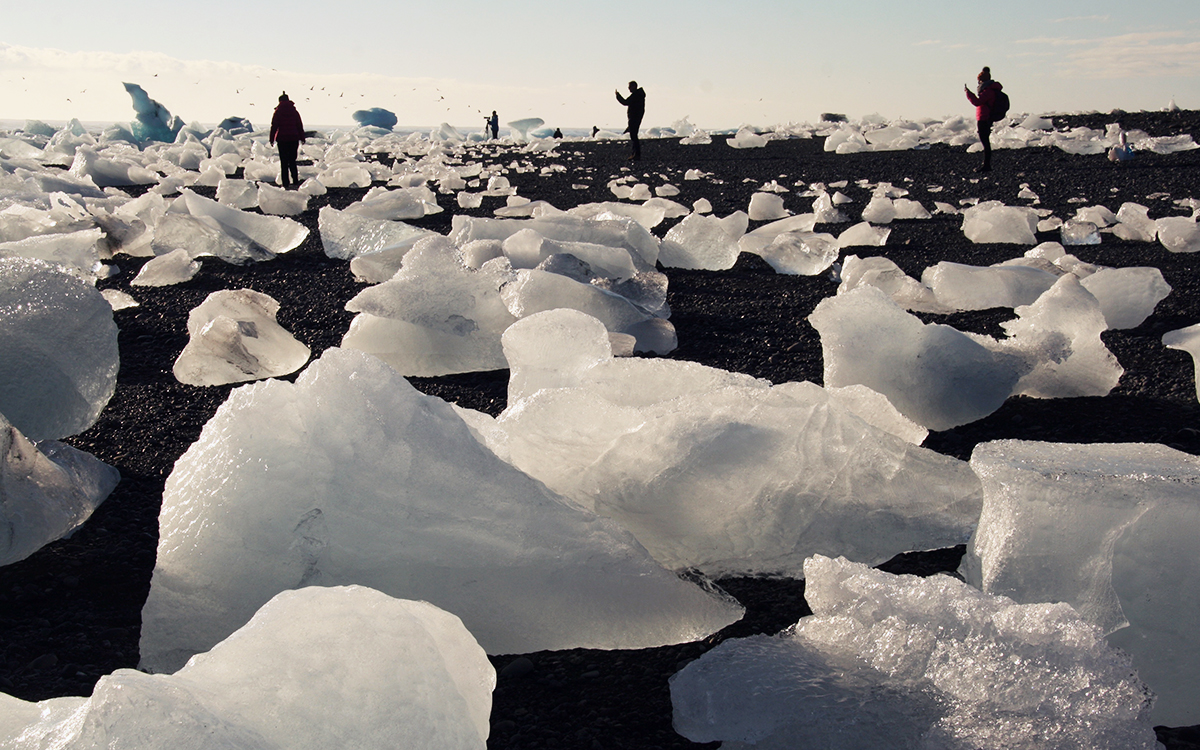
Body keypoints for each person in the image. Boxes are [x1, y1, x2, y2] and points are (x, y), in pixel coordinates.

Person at [964, 67, 1003, 173]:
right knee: (985, 141)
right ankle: (986, 165)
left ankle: (987, 165)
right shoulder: (989, 90)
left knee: (985, 142)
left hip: (984, 119)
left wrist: (968, 93)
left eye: (979, 80)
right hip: (985, 118)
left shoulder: (988, 91)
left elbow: (977, 102)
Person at [269, 93, 305, 188]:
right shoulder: (294, 111)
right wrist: (302, 137)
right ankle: (295, 180)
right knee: (292, 160)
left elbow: (274, 126)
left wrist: (272, 138)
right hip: (293, 138)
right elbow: (299, 125)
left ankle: (286, 183)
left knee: (284, 162)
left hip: (282, 139)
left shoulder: (278, 111)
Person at [615, 80, 645, 160]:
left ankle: (636, 154)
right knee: (633, 135)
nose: (629, 89)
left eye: (630, 87)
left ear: (634, 86)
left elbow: (625, 102)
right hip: (636, 117)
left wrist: (618, 96)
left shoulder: (636, 95)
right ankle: (634, 153)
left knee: (634, 136)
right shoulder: (638, 95)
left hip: (634, 118)